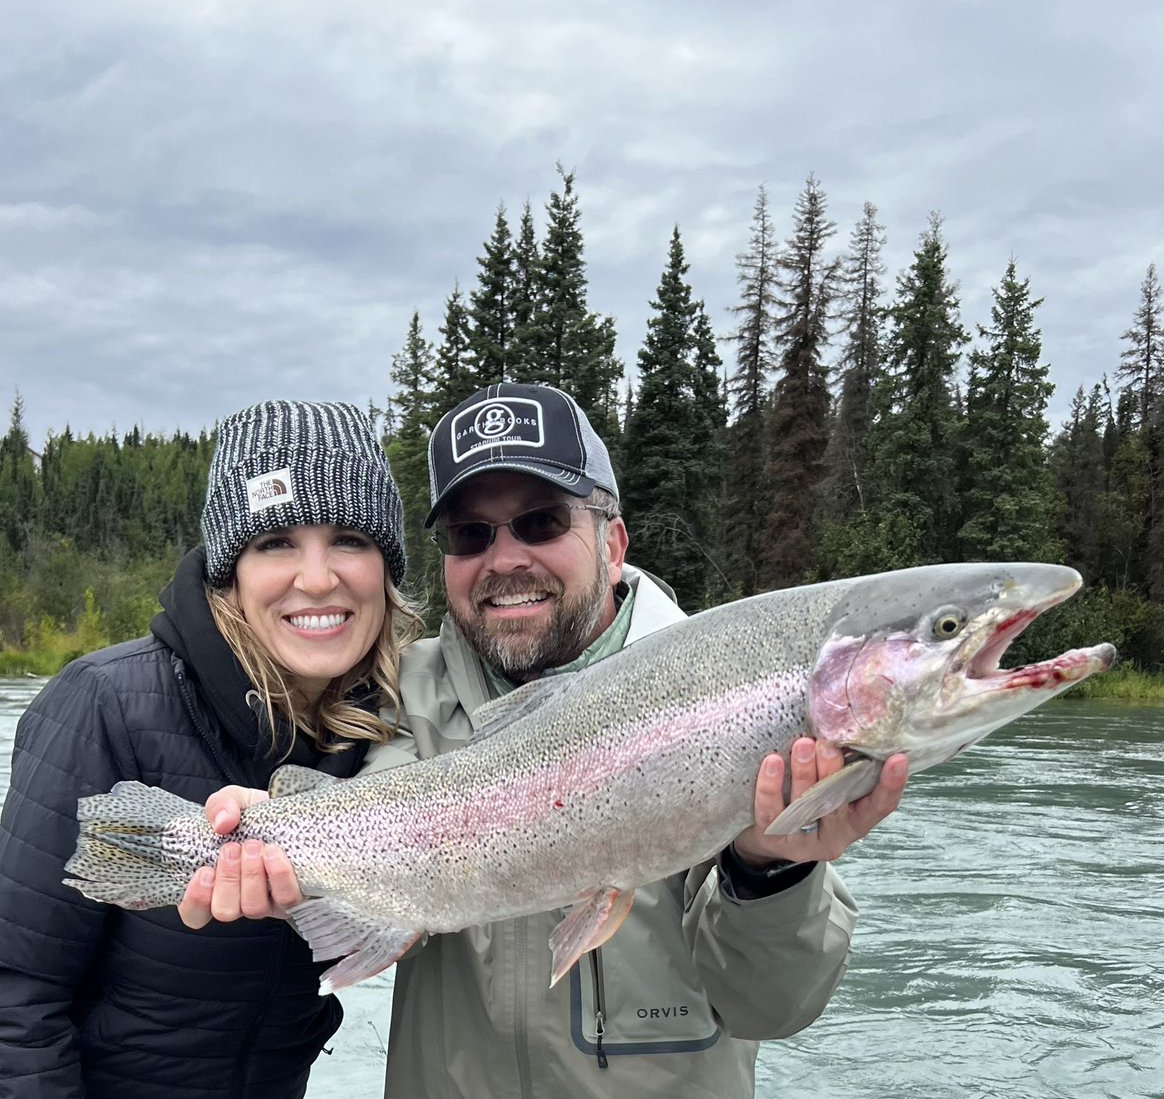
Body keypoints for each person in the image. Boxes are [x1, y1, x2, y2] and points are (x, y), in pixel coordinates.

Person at [183, 382, 910, 1098]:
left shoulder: (727, 700)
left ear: (613, 540)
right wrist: (260, 842)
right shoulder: (405, 691)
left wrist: (770, 869)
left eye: (540, 522)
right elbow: (362, 830)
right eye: (472, 534)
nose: (505, 560)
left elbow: (773, 1007)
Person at [0, 400, 421, 1099]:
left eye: (349, 538)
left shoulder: (383, 735)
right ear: (229, 570)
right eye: (276, 542)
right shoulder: (104, 702)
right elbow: (14, 997)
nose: (317, 577)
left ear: (386, 565)